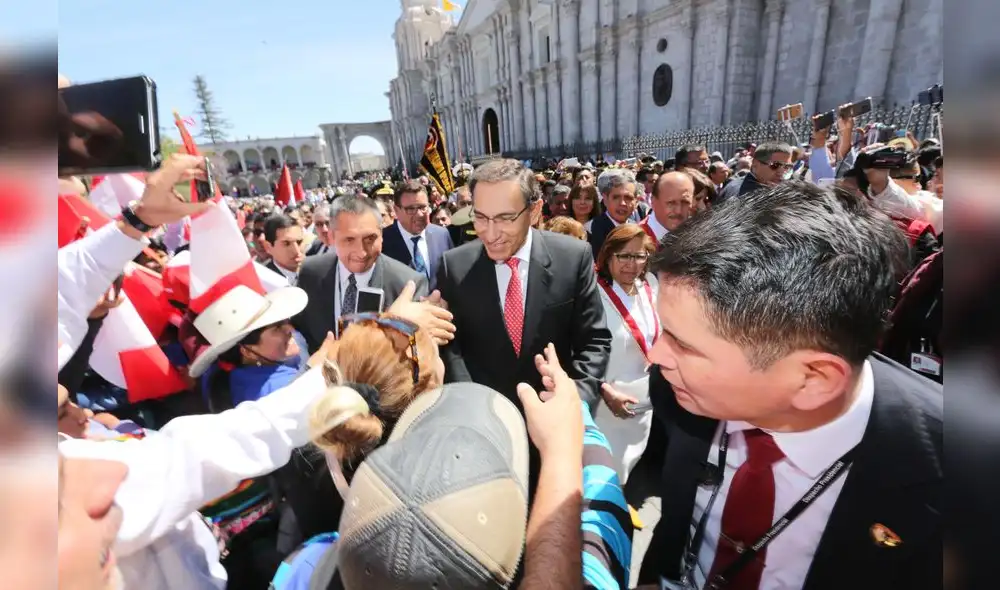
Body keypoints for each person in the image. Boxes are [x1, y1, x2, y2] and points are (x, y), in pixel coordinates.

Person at [638, 181, 942, 589]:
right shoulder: (678, 391)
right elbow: (674, 520)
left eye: (683, 344)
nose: (656, 357)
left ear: (814, 379)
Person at [436, 158, 611, 411]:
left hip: (555, 416)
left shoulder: (573, 257)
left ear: (535, 211)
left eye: (506, 218)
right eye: (481, 217)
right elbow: (452, 348)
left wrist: (575, 398)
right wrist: (472, 406)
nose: (491, 233)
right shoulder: (454, 266)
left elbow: (594, 340)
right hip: (483, 422)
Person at [293, 196, 428, 353]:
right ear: (332, 236)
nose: (362, 252)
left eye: (370, 238)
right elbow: (303, 333)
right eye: (349, 240)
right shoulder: (311, 273)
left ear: (381, 234)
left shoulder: (408, 285)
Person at [591, 225, 659, 485]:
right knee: (600, 474)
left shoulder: (649, 286)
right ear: (608, 256)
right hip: (605, 408)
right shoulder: (593, 294)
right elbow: (577, 352)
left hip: (642, 406)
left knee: (626, 467)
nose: (632, 264)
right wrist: (604, 390)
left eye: (639, 256)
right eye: (624, 256)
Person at [381, 180, 454, 290]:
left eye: (423, 207)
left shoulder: (441, 235)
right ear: (396, 210)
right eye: (411, 209)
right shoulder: (382, 241)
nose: (419, 214)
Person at [715, 142, 793, 204]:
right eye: (776, 165)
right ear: (755, 164)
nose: (781, 172)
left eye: (787, 167)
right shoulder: (741, 194)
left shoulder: (782, 191)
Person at [589, 168, 639, 258]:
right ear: (605, 199)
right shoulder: (590, 231)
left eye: (628, 198)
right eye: (616, 197)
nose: (622, 203)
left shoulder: (638, 229)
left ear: (636, 201)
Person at [638, 171, 695, 246]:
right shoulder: (634, 239)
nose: (678, 211)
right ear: (653, 201)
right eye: (671, 203)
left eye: (685, 202)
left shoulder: (698, 236)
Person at [261, 214, 305, 285]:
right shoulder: (261, 281)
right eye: (286, 243)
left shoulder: (317, 274)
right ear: (268, 247)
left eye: (299, 242)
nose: (297, 251)